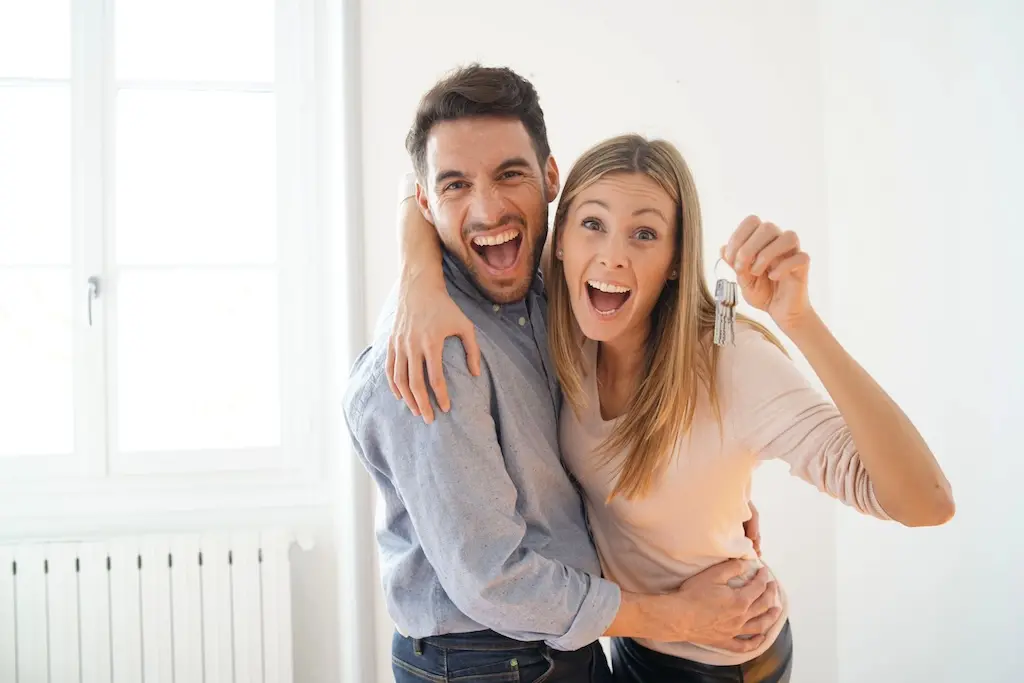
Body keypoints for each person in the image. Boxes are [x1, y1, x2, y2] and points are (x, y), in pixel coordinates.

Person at [388, 116, 956, 682]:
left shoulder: (730, 363)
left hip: (720, 660)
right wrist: (419, 282)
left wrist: (800, 321)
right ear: (559, 242)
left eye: (644, 233)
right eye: (593, 224)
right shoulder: (565, 331)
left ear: (677, 259)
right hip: (635, 645)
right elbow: (441, 200)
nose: (612, 256)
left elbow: (926, 503)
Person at [343, 65, 783, 683]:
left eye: (510, 173)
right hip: (485, 660)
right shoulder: (436, 352)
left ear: (551, 177)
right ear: (427, 201)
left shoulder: (549, 285)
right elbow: (493, 579)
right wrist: (679, 618)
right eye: (456, 186)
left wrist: (701, 496)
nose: (488, 207)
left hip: (558, 644)